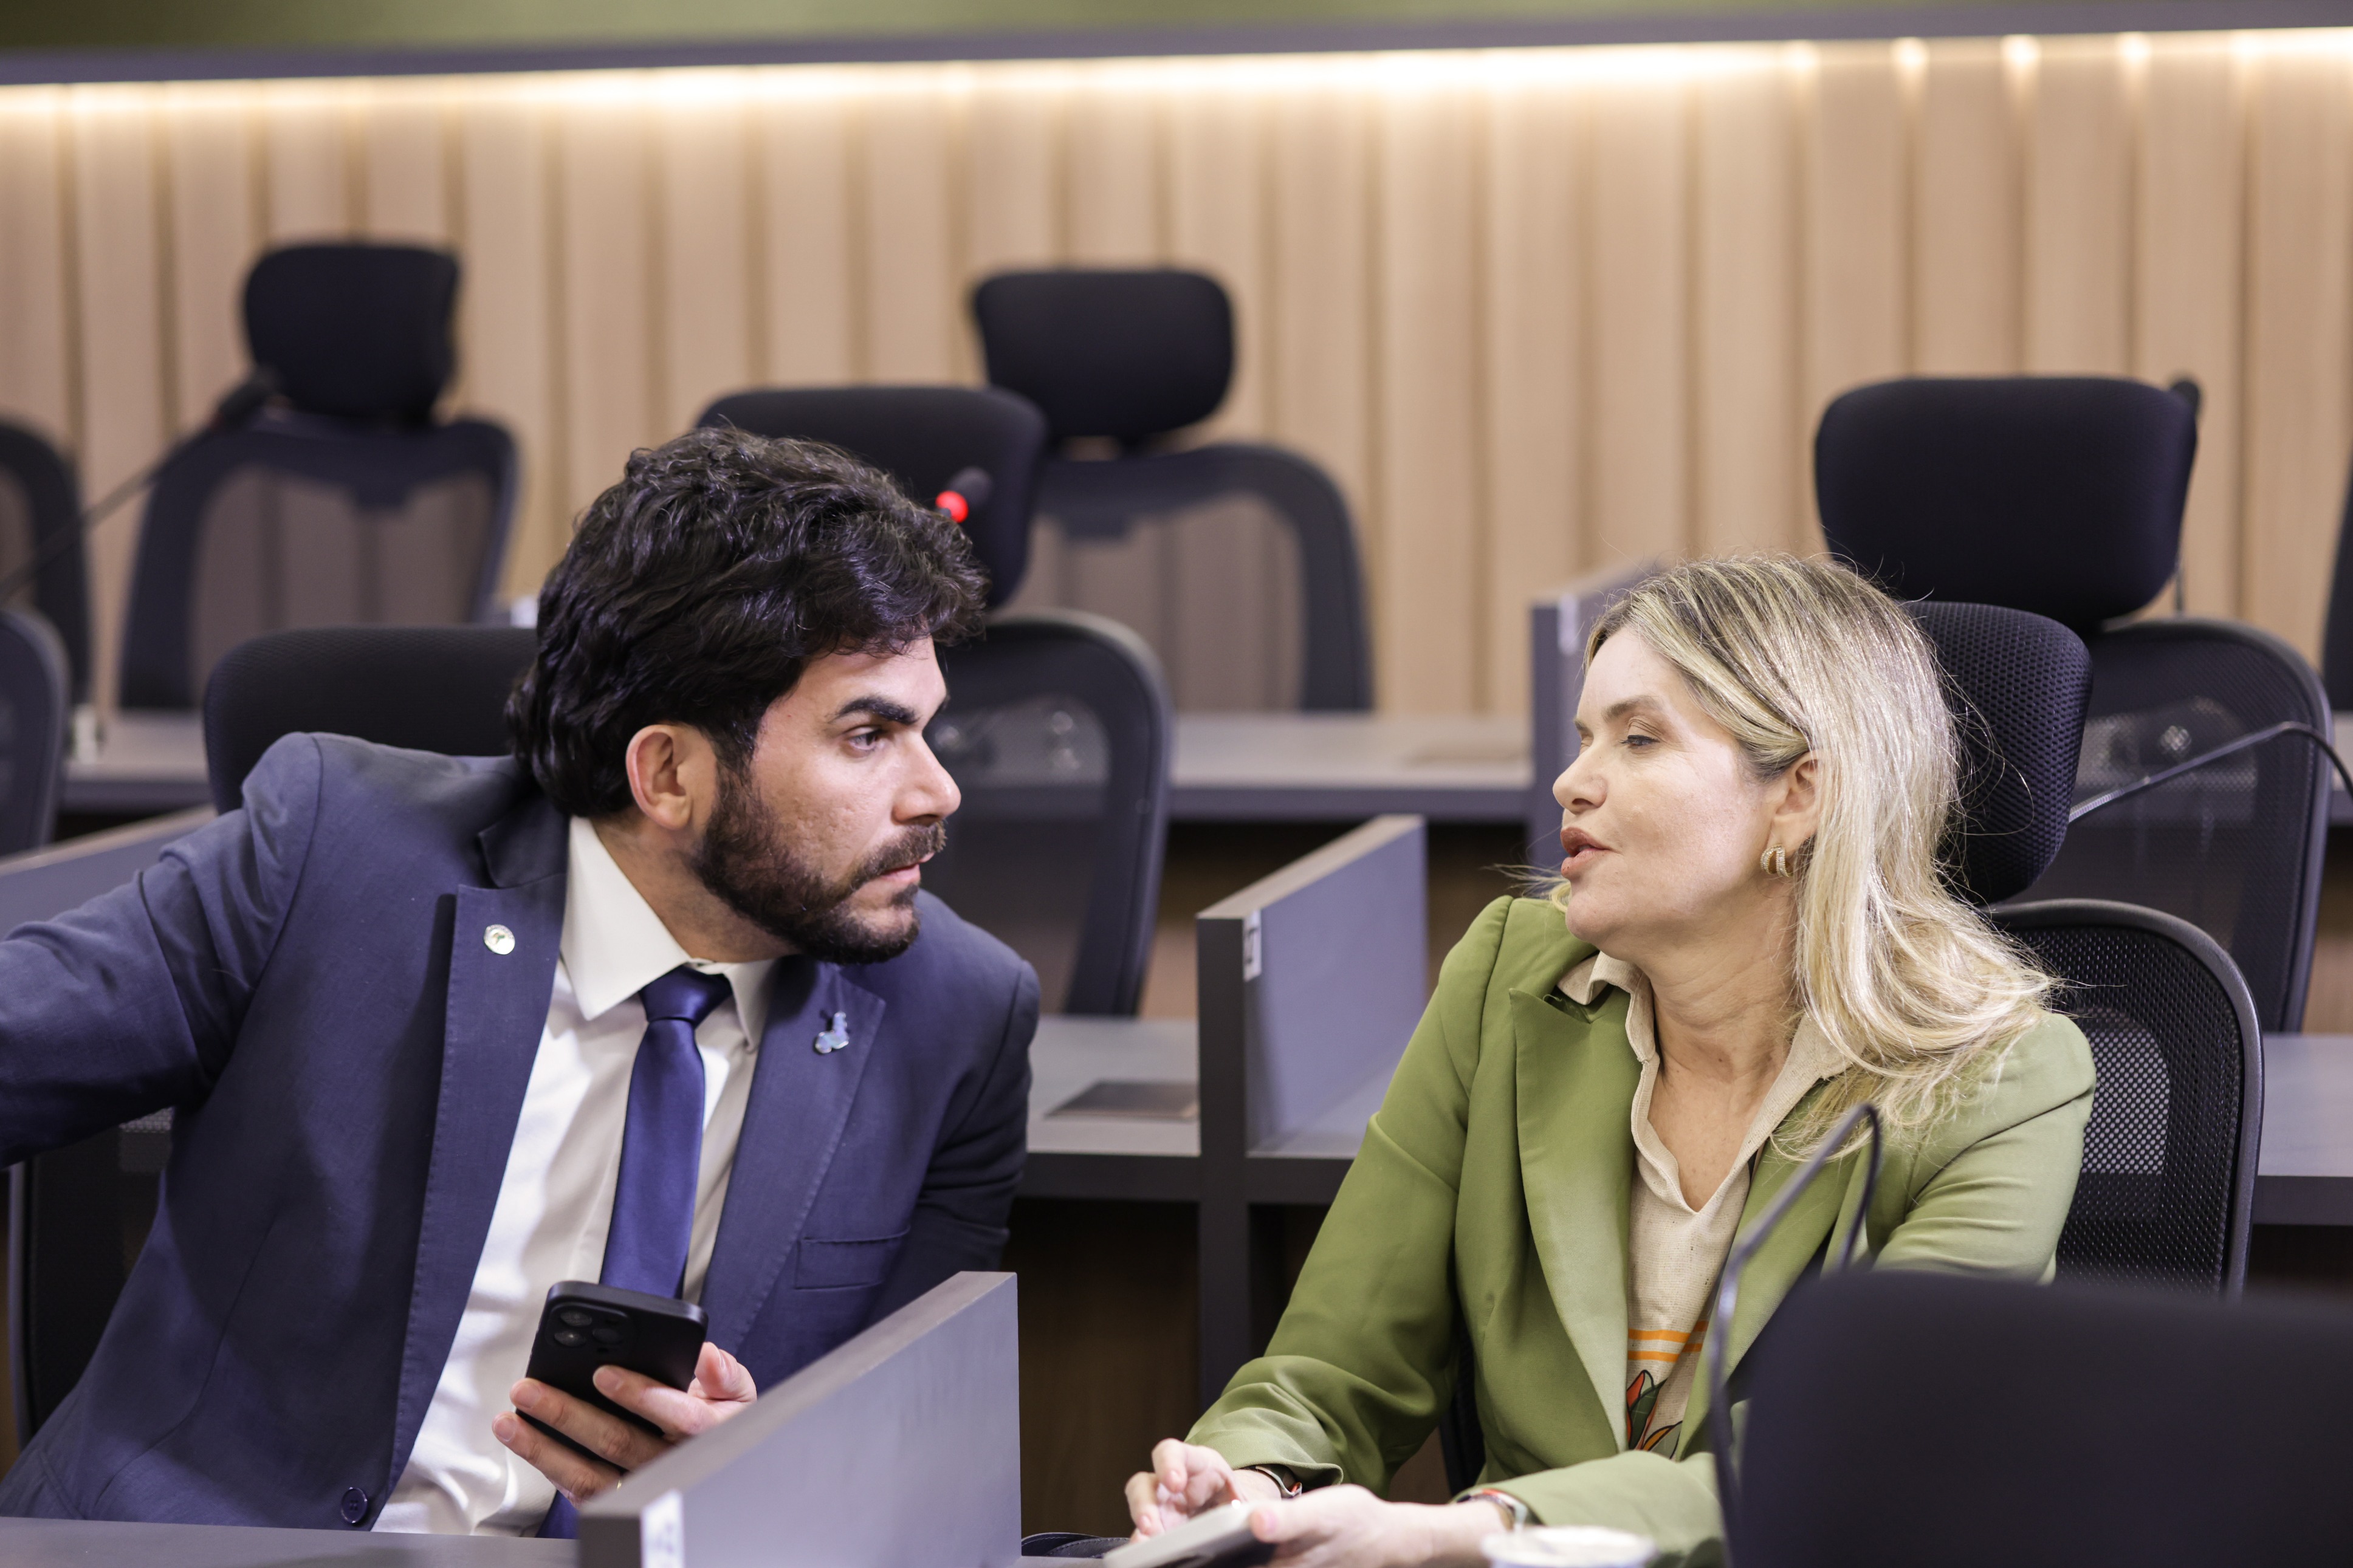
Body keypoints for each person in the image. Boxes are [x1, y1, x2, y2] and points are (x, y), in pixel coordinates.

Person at [0, 428, 1039, 1534]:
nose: (938, 791)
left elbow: (908, 1472)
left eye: (927, 728)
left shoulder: (958, 1019)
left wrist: (756, 1478)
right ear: (668, 773)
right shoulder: (330, 853)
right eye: (869, 734)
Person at [1126, 555, 2094, 1566]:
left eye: (1638, 738)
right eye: (1585, 736)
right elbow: (1335, 1364)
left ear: (1797, 794)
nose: (1572, 780)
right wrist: (1252, 1483)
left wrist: (1481, 1530)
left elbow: (1847, 1456)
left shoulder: (2000, 1080)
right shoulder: (1507, 980)